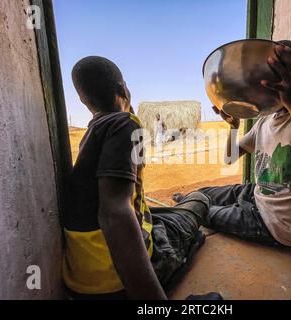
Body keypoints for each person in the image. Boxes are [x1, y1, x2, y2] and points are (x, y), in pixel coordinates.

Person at [174, 40, 291, 248]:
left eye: (285, 71)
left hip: (276, 225)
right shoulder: (264, 121)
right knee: (198, 194)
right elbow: (229, 158)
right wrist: (233, 127)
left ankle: (190, 206)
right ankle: (191, 201)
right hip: (255, 194)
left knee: (196, 208)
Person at [63, 56, 211, 300]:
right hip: (118, 281)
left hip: (84, 277)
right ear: (123, 88)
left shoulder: (93, 132)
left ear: (83, 101)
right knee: (198, 201)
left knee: (162, 215)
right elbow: (114, 213)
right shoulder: (125, 123)